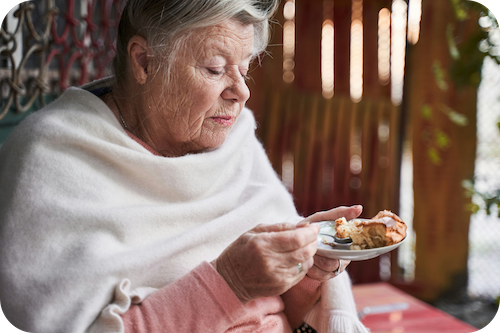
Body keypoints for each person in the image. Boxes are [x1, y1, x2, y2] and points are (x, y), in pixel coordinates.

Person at [0, 1, 370, 332]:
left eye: (243, 69)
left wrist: (304, 269)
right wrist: (229, 284)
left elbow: (286, 308)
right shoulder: (53, 160)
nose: (241, 92)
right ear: (144, 61)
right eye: (214, 69)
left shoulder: (233, 138)